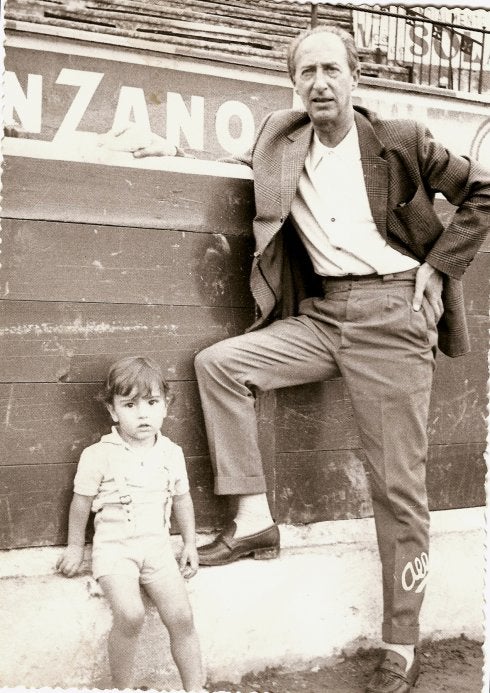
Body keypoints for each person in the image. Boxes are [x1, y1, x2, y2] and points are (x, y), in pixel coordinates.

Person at [106, 25, 490, 693]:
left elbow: (483, 191)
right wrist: (157, 143)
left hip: (394, 316)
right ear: (294, 83)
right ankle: (254, 519)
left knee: (399, 491)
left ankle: (403, 641)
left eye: (330, 70)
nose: (318, 83)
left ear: (354, 78)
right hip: (322, 316)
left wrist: (436, 267)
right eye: (305, 72)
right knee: (220, 363)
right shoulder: (282, 138)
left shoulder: (398, 137)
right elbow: (231, 157)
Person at [56, 356, 205, 692]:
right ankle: (123, 689)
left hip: (157, 549)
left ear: (166, 406)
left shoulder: (171, 453)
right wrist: (76, 547)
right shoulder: (98, 454)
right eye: (130, 404)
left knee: (182, 617)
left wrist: (191, 544)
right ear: (112, 411)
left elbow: (183, 499)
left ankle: (196, 689)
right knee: (131, 615)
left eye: (152, 403)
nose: (143, 414)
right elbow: (80, 503)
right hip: (115, 551)